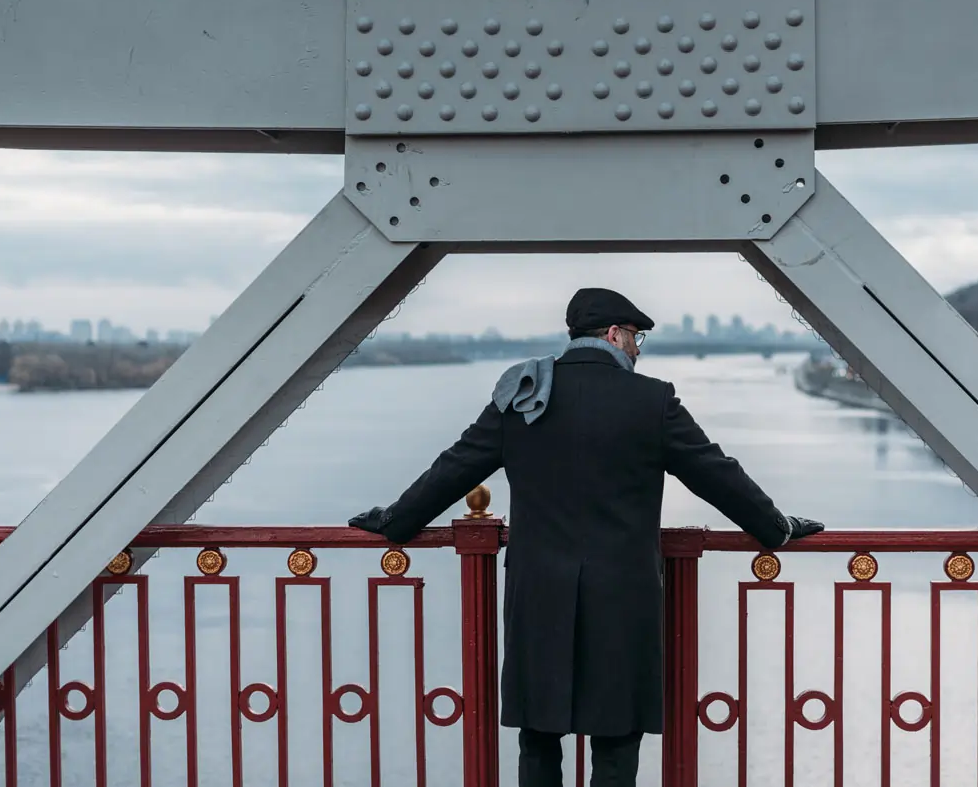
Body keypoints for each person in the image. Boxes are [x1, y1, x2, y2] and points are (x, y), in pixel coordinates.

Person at [348, 287, 824, 787]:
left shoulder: (522, 395)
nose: (638, 350)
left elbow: (456, 466)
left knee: (537, 736)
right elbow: (716, 475)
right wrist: (777, 528)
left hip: (538, 592)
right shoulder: (651, 401)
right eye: (637, 338)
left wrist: (397, 520)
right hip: (622, 594)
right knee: (616, 743)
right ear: (616, 335)